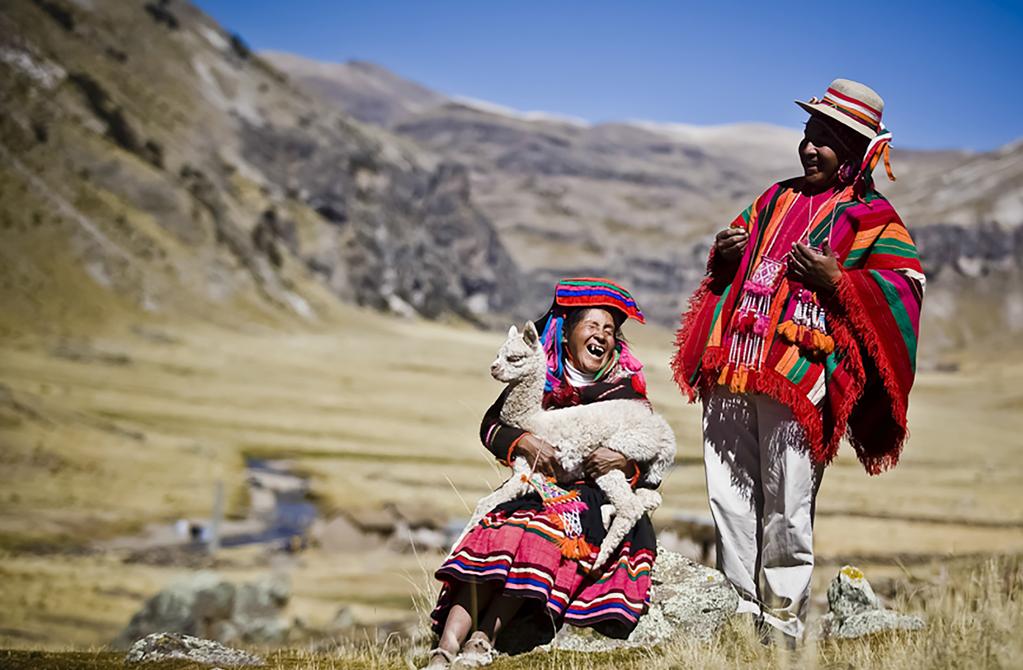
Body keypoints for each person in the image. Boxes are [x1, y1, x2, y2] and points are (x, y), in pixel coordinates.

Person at [671, 79, 924, 643]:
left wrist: (839, 280)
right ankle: (737, 623)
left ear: (857, 151)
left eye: (826, 139)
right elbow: (731, 248)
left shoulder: (872, 216)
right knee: (728, 497)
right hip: (734, 366)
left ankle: (782, 631)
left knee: (787, 504)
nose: (810, 149)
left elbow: (905, 287)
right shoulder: (773, 197)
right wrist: (724, 250)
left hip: (801, 379)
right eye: (808, 136)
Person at [425, 278, 664, 669]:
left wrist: (618, 462)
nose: (601, 336)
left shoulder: (624, 392)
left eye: (609, 331)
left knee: (537, 533)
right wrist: (526, 444)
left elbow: (649, 459)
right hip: (536, 486)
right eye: (592, 326)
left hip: (590, 498)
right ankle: (446, 647)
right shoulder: (540, 380)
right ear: (567, 332)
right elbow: (492, 427)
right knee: (495, 529)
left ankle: (484, 637)